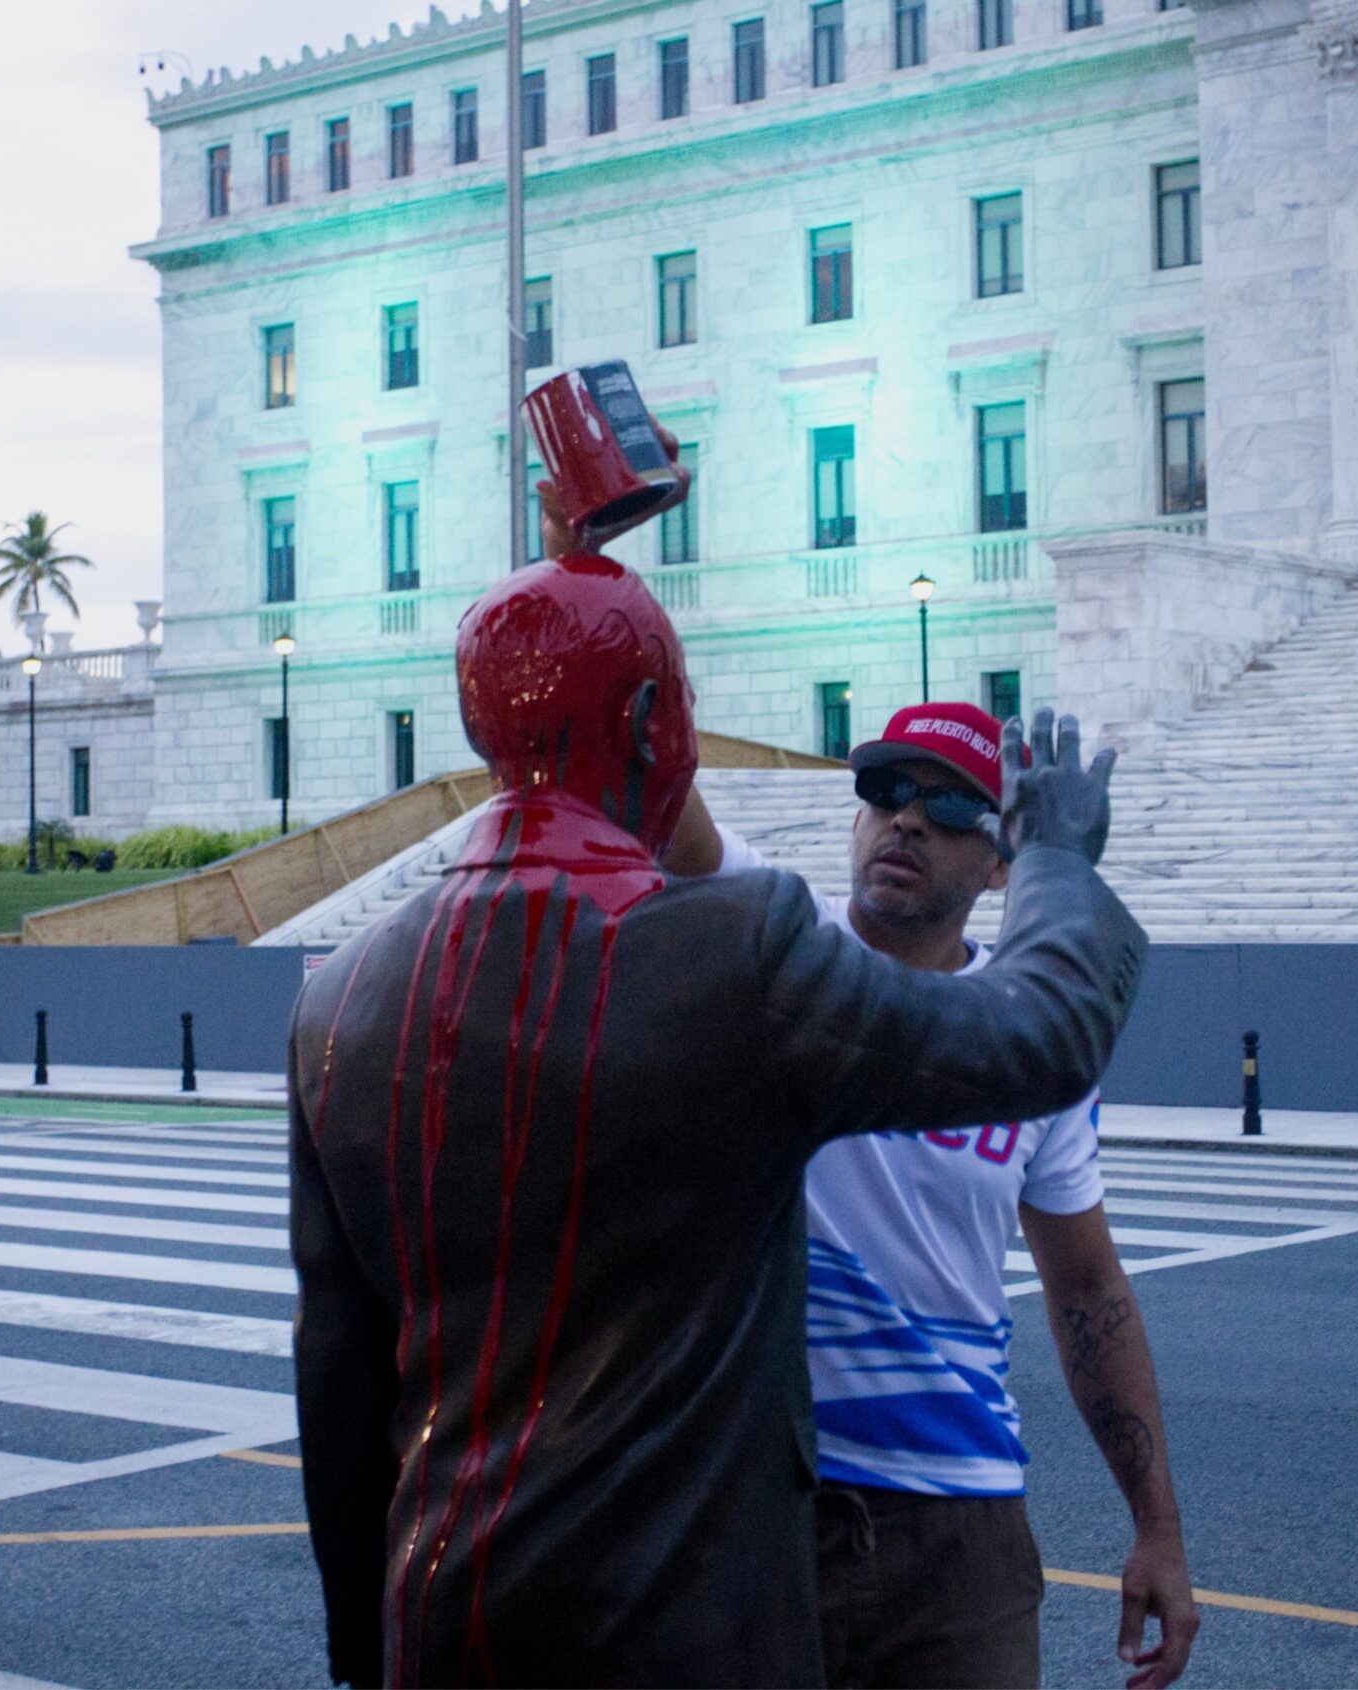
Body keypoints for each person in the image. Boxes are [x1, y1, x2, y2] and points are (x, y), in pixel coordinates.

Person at [288, 475, 1150, 1685]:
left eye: (944, 809)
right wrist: (1055, 853)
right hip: (681, 1629)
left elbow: (337, 1377)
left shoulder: (338, 995)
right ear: (652, 722)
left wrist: (362, 1644)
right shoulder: (736, 953)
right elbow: (1045, 1031)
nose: (901, 821)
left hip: (448, 1613)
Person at [664, 701, 1198, 1690]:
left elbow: (1087, 1286)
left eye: (952, 806)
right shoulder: (775, 941)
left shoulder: (1028, 1033)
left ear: (1003, 865)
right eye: (884, 790)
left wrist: (1157, 1531)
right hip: (760, 1507)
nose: (905, 818)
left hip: (962, 1539)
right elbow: (668, 818)